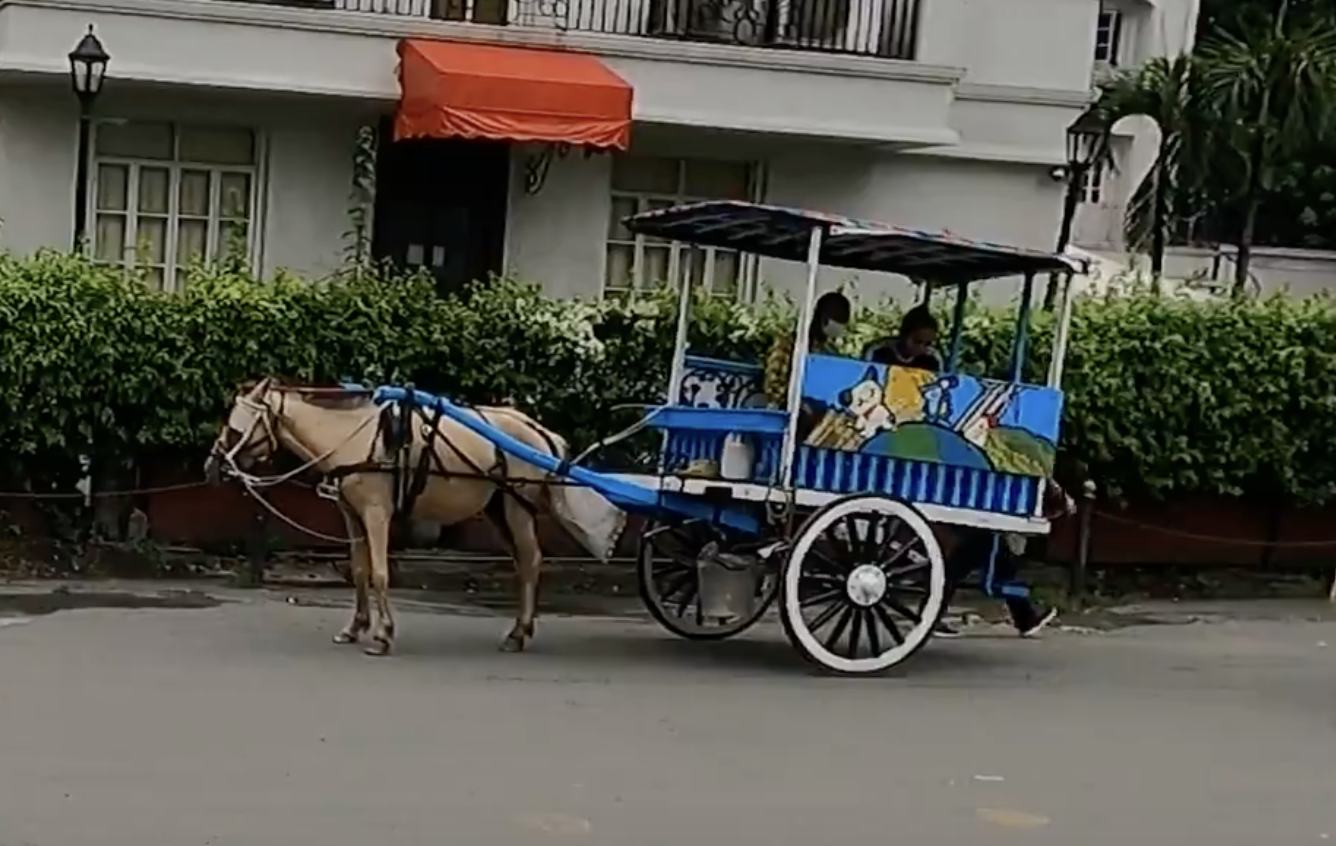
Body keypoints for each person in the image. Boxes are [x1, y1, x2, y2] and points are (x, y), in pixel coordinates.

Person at [866, 304, 1059, 637]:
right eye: (918, 342)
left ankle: (1009, 611)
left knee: (979, 537)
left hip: (929, 453)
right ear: (904, 337)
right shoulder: (878, 354)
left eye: (928, 343)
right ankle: (1013, 611)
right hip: (891, 453)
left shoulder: (934, 363)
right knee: (978, 536)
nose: (924, 349)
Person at [764, 291, 852, 411]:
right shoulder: (789, 344)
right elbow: (773, 382)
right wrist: (796, 401)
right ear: (825, 319)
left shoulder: (831, 351)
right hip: (787, 410)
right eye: (839, 320)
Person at [864, 305, 943, 372]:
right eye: (917, 341)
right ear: (903, 335)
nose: (921, 347)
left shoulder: (933, 359)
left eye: (928, 344)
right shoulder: (878, 352)